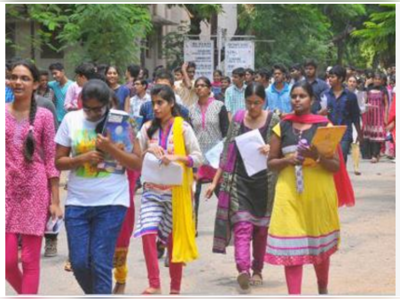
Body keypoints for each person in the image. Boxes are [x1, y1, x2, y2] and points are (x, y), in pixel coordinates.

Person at [54, 79, 142, 294]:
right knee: (80, 263)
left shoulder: (123, 121)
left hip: (112, 202)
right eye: (88, 108)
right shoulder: (70, 120)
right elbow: (58, 161)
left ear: (108, 104)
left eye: (98, 109)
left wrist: (111, 148)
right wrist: (81, 159)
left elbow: (137, 163)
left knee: (100, 263)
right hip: (78, 202)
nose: (93, 114)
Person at [265, 81, 343, 295]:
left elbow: (335, 166)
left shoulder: (324, 126)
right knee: (291, 248)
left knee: (320, 247)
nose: (297, 100)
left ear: (312, 100)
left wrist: (316, 156)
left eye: (302, 96)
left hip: (318, 194)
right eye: (294, 96)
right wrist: (286, 160)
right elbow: (271, 162)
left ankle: (322, 287)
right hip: (288, 193)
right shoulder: (281, 126)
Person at [206, 82, 280, 293]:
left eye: (257, 103)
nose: (253, 107)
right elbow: (227, 150)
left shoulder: (274, 120)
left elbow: (281, 150)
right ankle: (243, 270)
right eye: (249, 102)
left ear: (263, 102)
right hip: (239, 182)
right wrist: (214, 181)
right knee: (242, 227)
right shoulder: (238, 119)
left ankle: (258, 269)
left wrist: (271, 148)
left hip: (264, 185)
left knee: (261, 231)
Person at [134, 85, 203, 295]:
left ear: (171, 104)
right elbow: (135, 157)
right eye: (153, 103)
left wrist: (177, 158)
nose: (155, 107)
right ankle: (154, 283)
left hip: (176, 193)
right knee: (147, 232)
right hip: (152, 191)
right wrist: (147, 150)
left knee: (174, 242)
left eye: (160, 103)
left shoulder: (183, 128)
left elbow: (198, 157)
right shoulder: (146, 128)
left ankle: (175, 289)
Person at [6, 60, 62, 294]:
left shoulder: (44, 117)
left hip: (35, 191)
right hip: (6, 192)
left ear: (36, 83)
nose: (18, 82)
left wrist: (55, 200)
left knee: (30, 260)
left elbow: (51, 159)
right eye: (14, 77)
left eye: (25, 78)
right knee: (7, 262)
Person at [189, 77, 229, 234]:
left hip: (215, 155)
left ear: (209, 88)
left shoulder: (219, 106)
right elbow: (190, 133)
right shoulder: (191, 109)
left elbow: (226, 131)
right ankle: (193, 226)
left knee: (221, 191)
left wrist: (223, 152)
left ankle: (228, 224)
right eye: (197, 86)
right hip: (198, 155)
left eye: (202, 86)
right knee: (194, 192)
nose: (199, 88)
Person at [325, 66, 362, 164]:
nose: (329, 79)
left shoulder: (350, 96)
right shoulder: (325, 95)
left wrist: (359, 133)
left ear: (340, 78)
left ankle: (342, 179)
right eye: (329, 77)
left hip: (345, 134)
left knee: (341, 157)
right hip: (328, 133)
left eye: (332, 77)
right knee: (329, 159)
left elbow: (355, 116)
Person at [363, 72, 389, 163]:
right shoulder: (369, 89)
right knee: (370, 135)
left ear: (382, 81)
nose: (377, 81)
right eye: (376, 79)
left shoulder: (384, 90)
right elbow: (364, 101)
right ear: (373, 79)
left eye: (379, 79)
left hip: (379, 116)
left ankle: (375, 155)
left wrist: (385, 116)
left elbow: (386, 105)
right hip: (369, 115)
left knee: (378, 136)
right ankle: (373, 154)